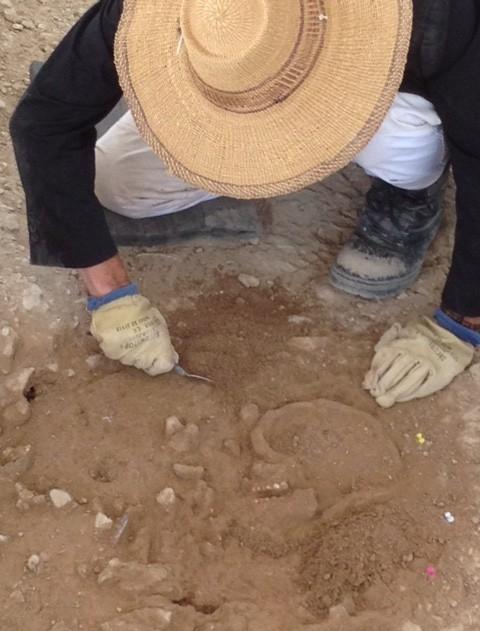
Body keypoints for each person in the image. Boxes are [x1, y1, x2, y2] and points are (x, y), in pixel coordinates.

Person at [9, 0, 480, 408]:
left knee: (403, 143)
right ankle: (242, 151)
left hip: (391, 90)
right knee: (118, 183)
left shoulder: (437, 18)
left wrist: (459, 325)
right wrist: (108, 293)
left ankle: (411, 193)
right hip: (228, 92)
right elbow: (44, 121)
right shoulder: (151, 12)